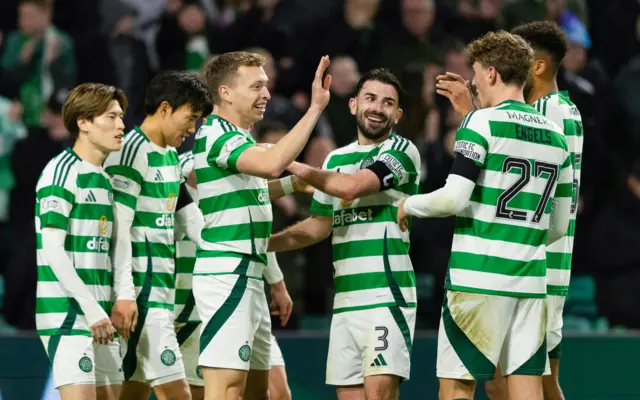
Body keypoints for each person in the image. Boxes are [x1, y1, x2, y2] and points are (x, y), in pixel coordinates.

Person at [396, 31, 574, 400]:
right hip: (531, 283)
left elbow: (452, 200)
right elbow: (558, 225)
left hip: (477, 281)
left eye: (475, 73)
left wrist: (408, 205)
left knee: (459, 386)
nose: (473, 81)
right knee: (526, 390)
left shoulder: (480, 123)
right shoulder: (557, 137)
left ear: (492, 74)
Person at [268, 68, 421, 400]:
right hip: (346, 302)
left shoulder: (402, 152)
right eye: (370, 98)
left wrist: (289, 164)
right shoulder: (336, 158)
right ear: (353, 105)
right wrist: (265, 244)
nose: (377, 108)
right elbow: (317, 227)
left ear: (398, 113)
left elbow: (352, 186)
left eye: (387, 103)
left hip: (387, 295)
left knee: (379, 394)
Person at [193, 51, 330, 399]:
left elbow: (250, 196)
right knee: (227, 391)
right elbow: (272, 164)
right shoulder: (216, 135)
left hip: (249, 273)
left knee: (263, 392)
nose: (266, 94)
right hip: (227, 274)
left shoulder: (237, 136)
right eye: (256, 86)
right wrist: (314, 109)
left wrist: (290, 185)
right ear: (225, 93)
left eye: (266, 86)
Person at [479, 21, 582, 400]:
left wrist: (470, 115)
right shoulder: (566, 109)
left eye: (521, 57)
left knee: (504, 384)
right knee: (539, 383)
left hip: (532, 269)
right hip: (550, 266)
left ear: (536, 67)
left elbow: (510, 181)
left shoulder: (543, 113)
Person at [103, 71, 212, 400]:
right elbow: (118, 231)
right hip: (138, 297)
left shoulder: (168, 155)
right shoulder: (130, 152)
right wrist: (123, 295)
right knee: (179, 395)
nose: (191, 129)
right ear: (165, 108)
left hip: (160, 295)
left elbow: (189, 222)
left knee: (132, 391)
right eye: (189, 118)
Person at [174, 150, 297, 400]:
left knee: (278, 393)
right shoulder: (191, 160)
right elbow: (191, 183)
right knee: (214, 392)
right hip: (206, 297)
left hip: (249, 291)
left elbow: (254, 226)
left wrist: (278, 284)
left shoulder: (248, 157)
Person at [35, 83, 127, 399]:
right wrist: (92, 311)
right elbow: (52, 250)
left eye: (121, 117)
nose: (121, 125)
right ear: (83, 123)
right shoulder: (61, 173)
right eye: (111, 117)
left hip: (100, 315)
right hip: (68, 314)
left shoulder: (104, 179)